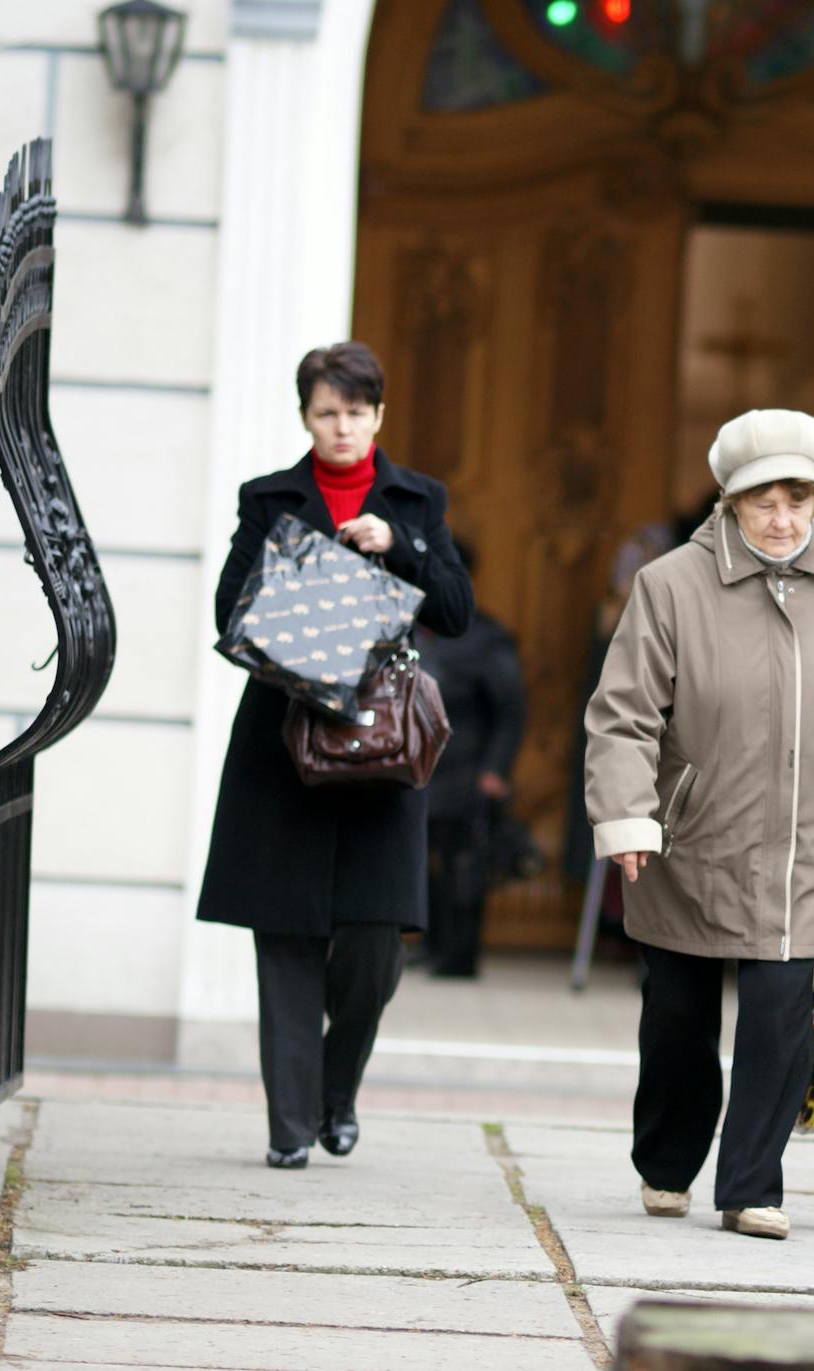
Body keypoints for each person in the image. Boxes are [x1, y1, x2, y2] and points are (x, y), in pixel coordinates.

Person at [585, 408, 814, 1242]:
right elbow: (623, 716)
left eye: (800, 499)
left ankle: (752, 1185)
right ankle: (666, 1159)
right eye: (764, 499)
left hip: (809, 852)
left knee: (781, 1016)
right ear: (729, 500)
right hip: (691, 842)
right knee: (679, 1023)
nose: (783, 518)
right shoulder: (668, 585)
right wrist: (627, 815)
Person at [197, 342, 474, 1169]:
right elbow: (228, 610)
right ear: (305, 417)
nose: (342, 427)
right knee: (284, 938)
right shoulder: (270, 499)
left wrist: (399, 547)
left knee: (373, 943)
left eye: (356, 412)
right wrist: (308, 567)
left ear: (379, 415)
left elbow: (456, 610)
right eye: (327, 413)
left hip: (381, 750)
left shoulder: (418, 500)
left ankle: (335, 1090)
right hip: (283, 744)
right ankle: (290, 1129)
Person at [416, 539, 529, 979]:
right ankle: (428, 943)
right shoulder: (409, 628)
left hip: (465, 773)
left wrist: (495, 771)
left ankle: (457, 956)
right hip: (415, 770)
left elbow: (510, 710)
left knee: (463, 866)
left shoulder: (486, 637)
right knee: (420, 862)